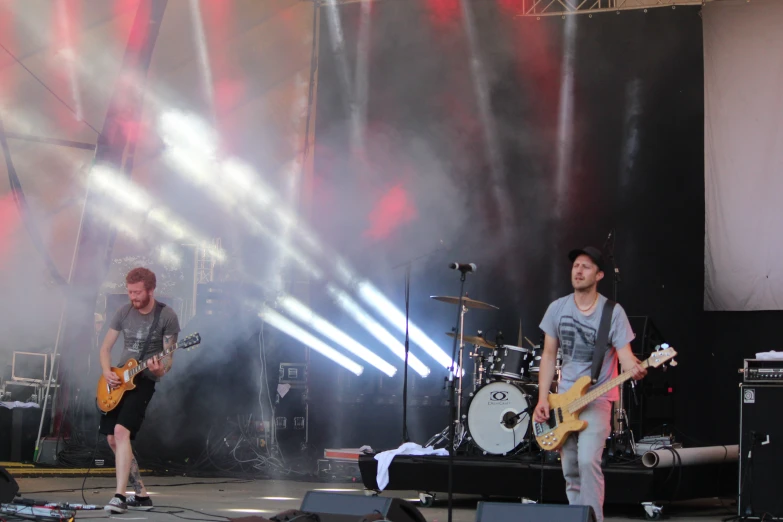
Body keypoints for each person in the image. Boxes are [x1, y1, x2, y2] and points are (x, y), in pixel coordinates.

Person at [533, 246, 646, 522]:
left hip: (597, 399)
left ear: (599, 275)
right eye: (576, 266)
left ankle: (594, 520)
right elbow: (548, 356)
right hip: (564, 401)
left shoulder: (612, 312)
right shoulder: (557, 308)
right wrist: (543, 398)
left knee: (587, 462)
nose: (578, 270)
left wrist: (635, 367)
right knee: (570, 468)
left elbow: (626, 356)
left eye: (585, 266)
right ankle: (577, 518)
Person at [99, 267, 180, 513]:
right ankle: (141, 495)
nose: (132, 297)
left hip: (143, 381)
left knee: (122, 432)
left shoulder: (167, 316)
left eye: (137, 292)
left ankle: (119, 496)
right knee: (112, 438)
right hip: (117, 380)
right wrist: (106, 372)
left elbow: (167, 362)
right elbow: (105, 348)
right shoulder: (123, 312)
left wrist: (157, 370)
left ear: (150, 290)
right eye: (130, 292)